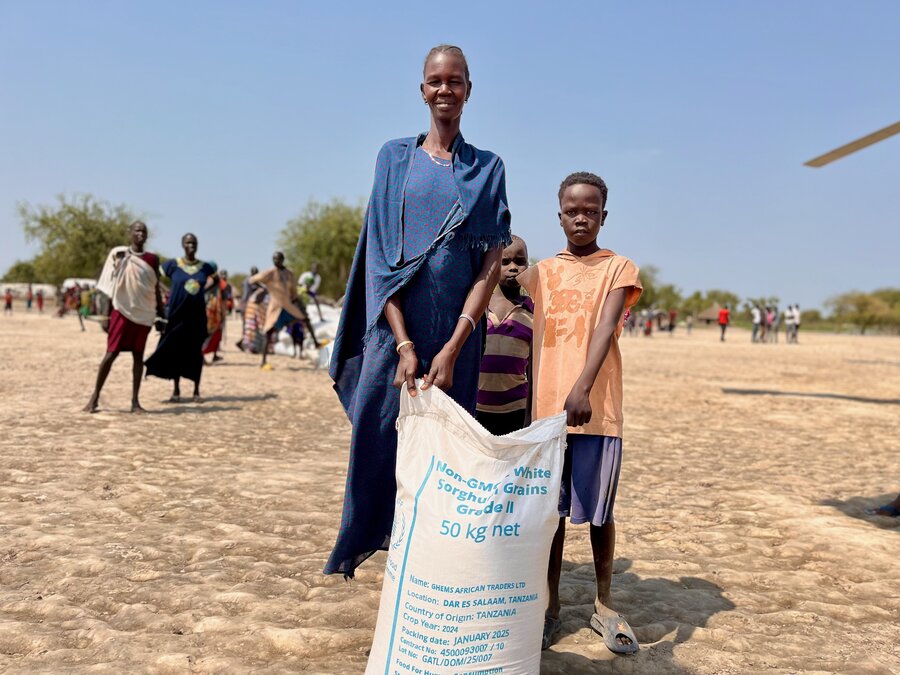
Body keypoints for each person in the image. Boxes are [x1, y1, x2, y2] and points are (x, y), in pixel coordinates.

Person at [326, 44, 511, 578]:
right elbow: (380, 255)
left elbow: (489, 264)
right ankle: (361, 546)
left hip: (457, 337)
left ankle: (430, 560)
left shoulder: (488, 168)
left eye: (455, 81)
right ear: (422, 89)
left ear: (469, 90)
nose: (445, 90)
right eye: (435, 81)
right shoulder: (394, 157)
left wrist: (453, 346)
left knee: (447, 453)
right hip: (395, 333)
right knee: (377, 438)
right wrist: (405, 345)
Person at [517, 171, 642, 654]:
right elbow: (503, 290)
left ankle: (604, 602)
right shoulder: (542, 271)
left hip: (596, 408)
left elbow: (606, 327)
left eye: (591, 210)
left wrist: (582, 386)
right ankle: (549, 607)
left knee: (598, 512)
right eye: (573, 210)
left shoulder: (619, 268)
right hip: (545, 410)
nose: (581, 218)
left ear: (603, 215)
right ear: (560, 215)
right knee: (549, 514)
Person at [84, 221, 163, 413]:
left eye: (144, 231)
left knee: (138, 356)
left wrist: (162, 314)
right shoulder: (118, 254)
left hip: (143, 313)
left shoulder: (153, 259)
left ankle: (135, 402)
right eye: (137, 230)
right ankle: (94, 398)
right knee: (111, 354)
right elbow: (108, 286)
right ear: (130, 233)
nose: (140, 234)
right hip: (121, 310)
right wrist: (105, 315)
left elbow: (155, 287)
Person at [144, 233, 217, 403]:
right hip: (176, 316)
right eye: (188, 243)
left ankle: (196, 391)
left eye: (194, 243)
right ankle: (176, 390)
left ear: (197, 245)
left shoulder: (205, 267)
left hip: (197, 318)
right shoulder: (172, 265)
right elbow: (154, 276)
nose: (191, 245)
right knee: (176, 351)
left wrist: (201, 290)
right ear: (182, 245)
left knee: (195, 353)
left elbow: (215, 279)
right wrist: (166, 291)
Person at [475, 235, 533, 436]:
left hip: (516, 408)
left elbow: (534, 367)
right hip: (476, 408)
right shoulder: (478, 306)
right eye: (505, 261)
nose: (513, 267)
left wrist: (530, 413)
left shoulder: (533, 310)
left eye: (520, 261)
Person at [249, 252, 317, 369]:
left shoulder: (289, 273)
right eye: (274, 259)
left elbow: (293, 291)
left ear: (282, 259)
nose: (276, 261)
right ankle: (263, 361)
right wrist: (266, 287)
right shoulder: (270, 273)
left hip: (288, 305)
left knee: (305, 319)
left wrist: (297, 302)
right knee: (269, 332)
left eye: (278, 258)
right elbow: (252, 280)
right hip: (276, 306)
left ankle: (316, 343)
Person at [236, 266, 260, 350]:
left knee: (252, 326)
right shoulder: (248, 281)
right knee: (247, 326)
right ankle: (243, 343)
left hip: (253, 306)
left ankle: (247, 344)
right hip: (247, 306)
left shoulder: (257, 281)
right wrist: (243, 306)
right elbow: (246, 294)